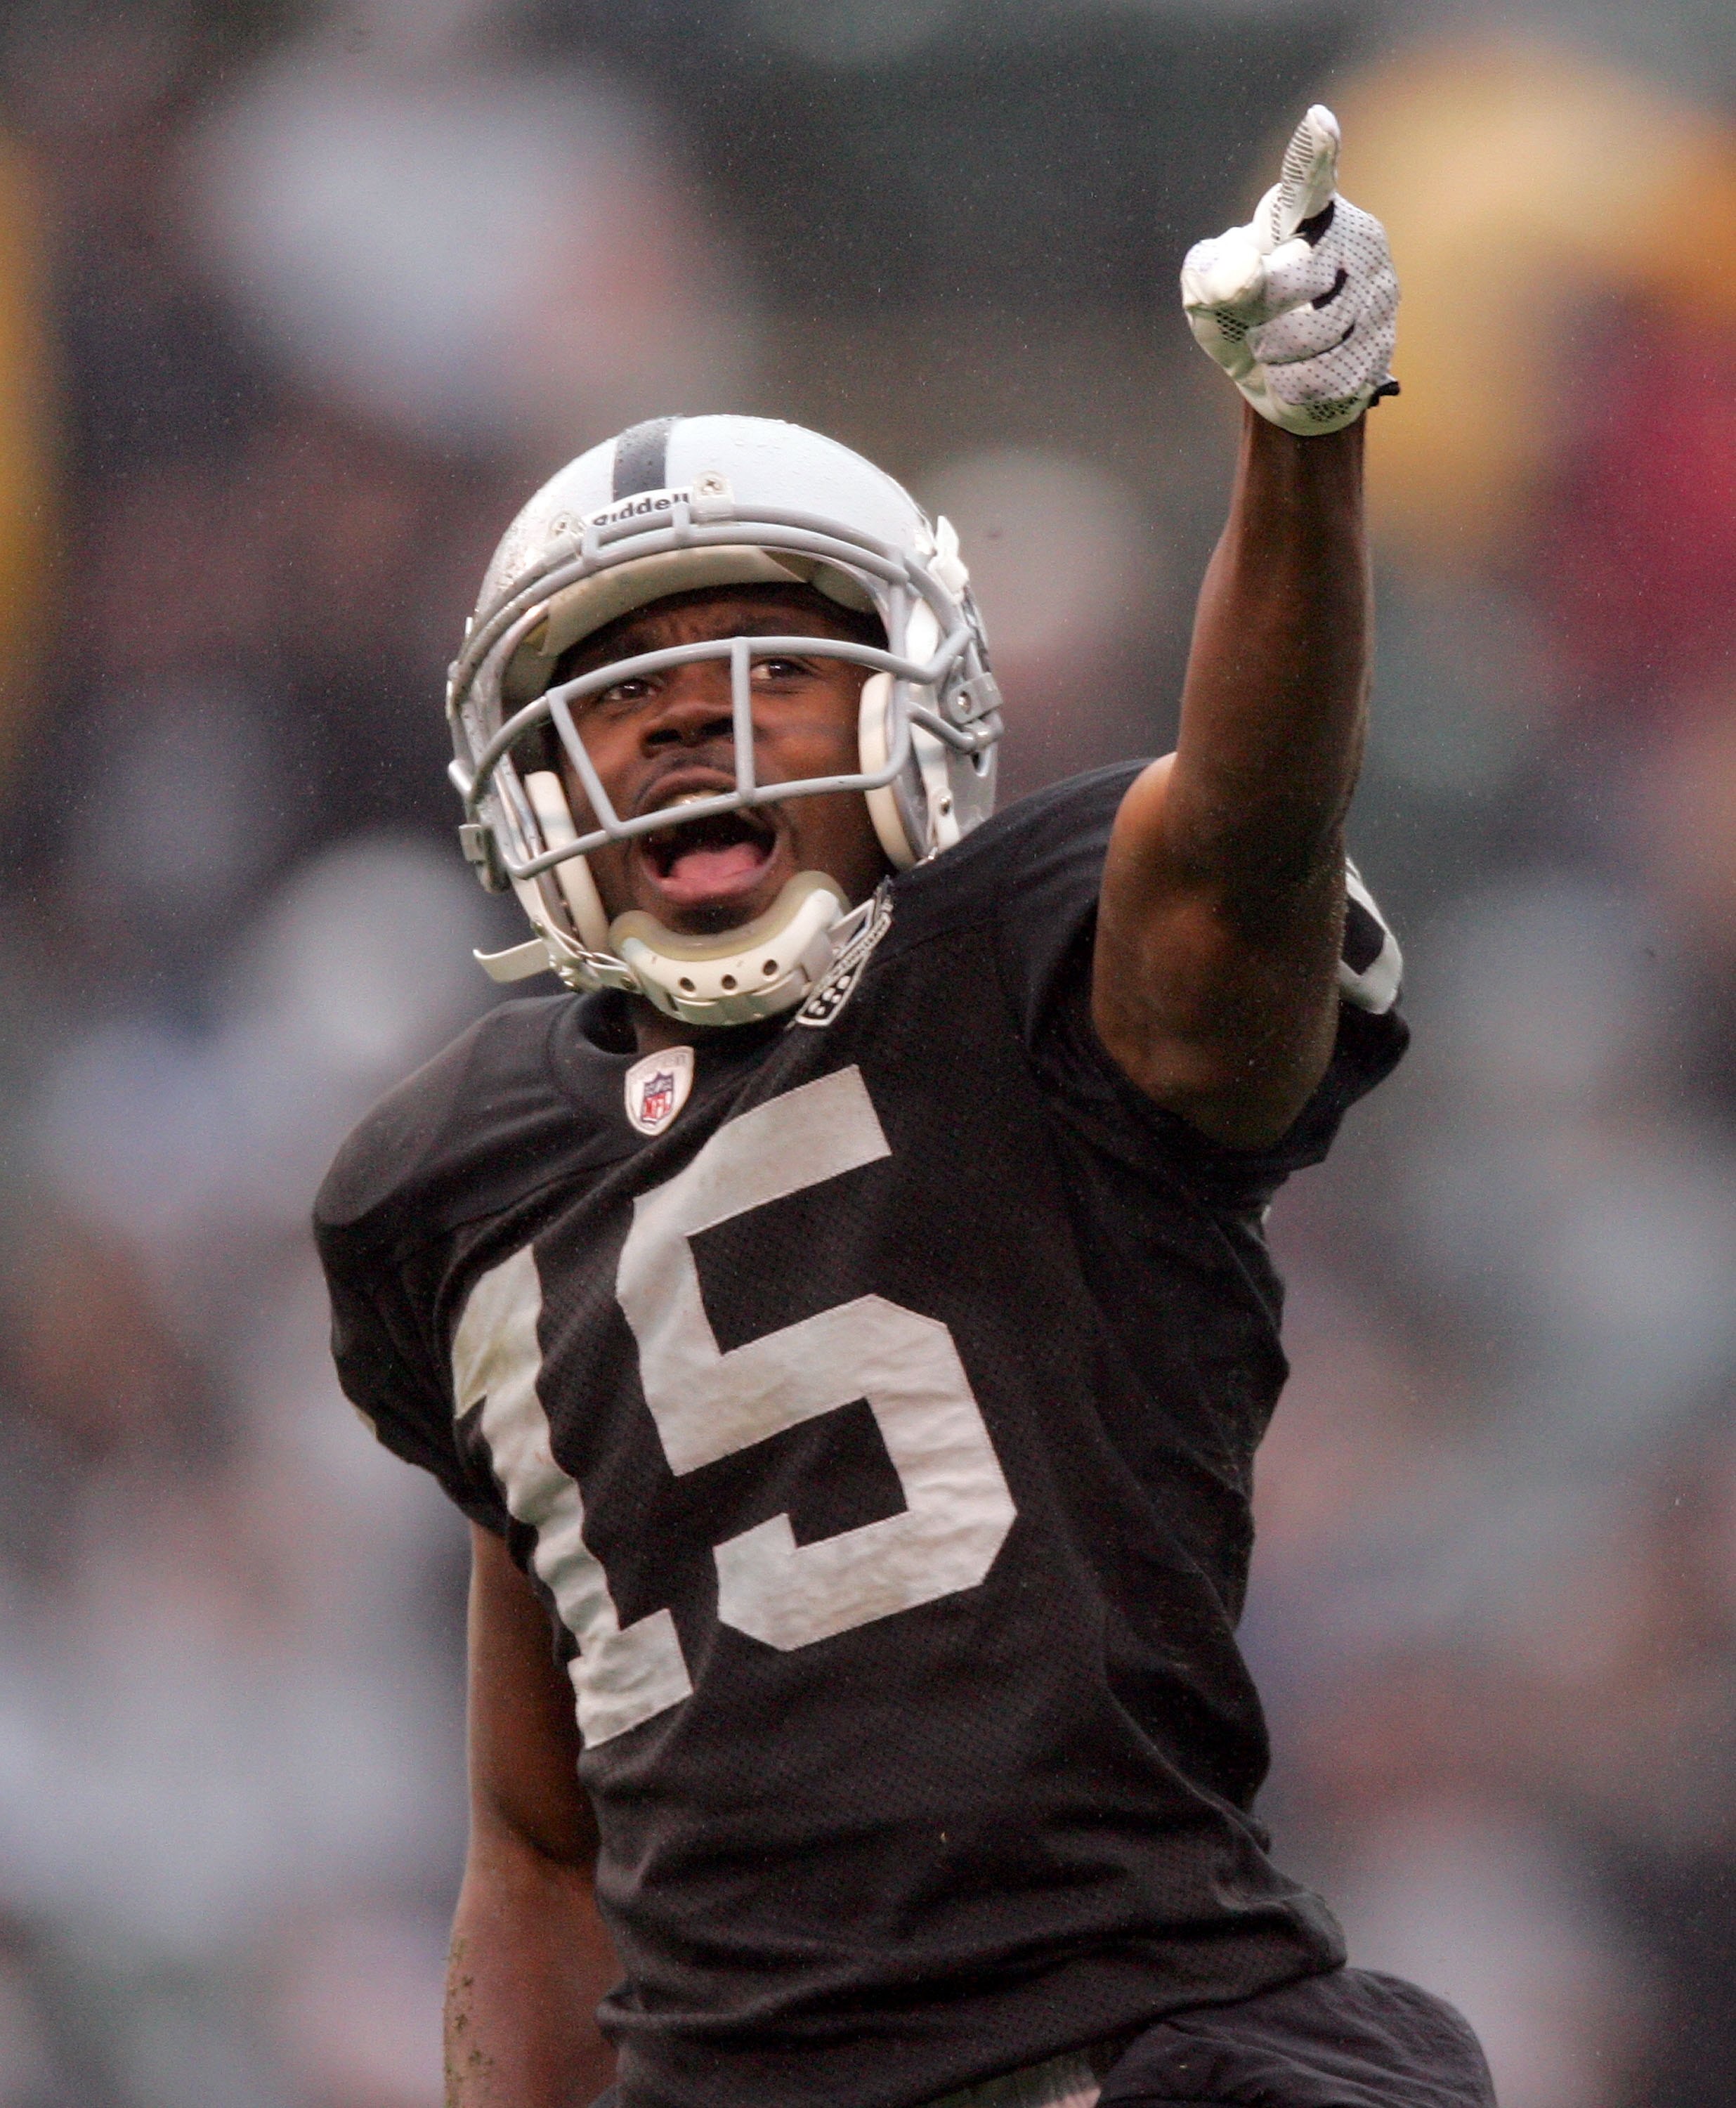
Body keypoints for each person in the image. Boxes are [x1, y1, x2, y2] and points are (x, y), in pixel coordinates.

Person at [314, 110, 1494, 2108]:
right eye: (613, 688)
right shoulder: (444, 1184)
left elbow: (1253, 832)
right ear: (521, 788)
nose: (684, 717)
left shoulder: (1034, 957)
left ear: (913, 715)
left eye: (758, 667)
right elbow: (537, 1831)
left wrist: (1302, 447)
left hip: (1125, 2041)